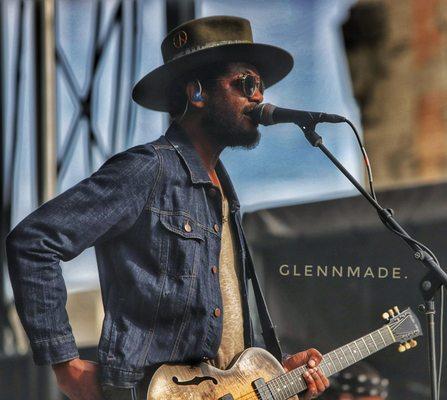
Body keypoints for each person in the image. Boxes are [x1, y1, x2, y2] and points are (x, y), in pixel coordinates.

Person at [6, 16, 329, 400]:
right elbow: (33, 241)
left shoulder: (224, 190)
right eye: (246, 83)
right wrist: (66, 365)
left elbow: (219, 329)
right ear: (197, 93)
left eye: (259, 85)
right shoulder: (148, 169)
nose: (258, 96)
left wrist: (274, 370)